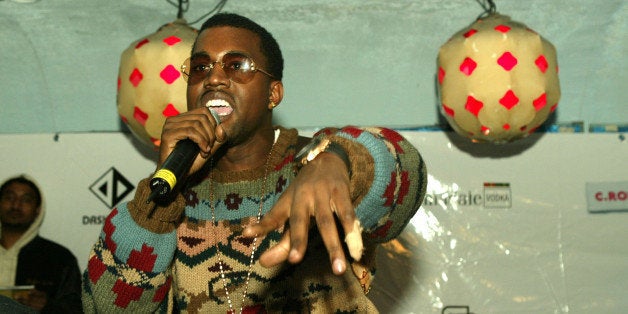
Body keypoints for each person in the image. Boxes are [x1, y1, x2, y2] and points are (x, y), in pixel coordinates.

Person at [82, 12, 427, 313]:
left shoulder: (318, 159)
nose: (214, 78)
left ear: (273, 94)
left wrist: (338, 162)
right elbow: (108, 307)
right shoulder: (168, 195)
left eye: (237, 65)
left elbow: (405, 171)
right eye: (201, 67)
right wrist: (159, 200)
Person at [0, 175, 83, 313]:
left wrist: (48, 306)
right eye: (9, 198)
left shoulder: (59, 259)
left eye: (26, 200)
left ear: (38, 210)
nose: (16, 205)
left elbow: (76, 309)